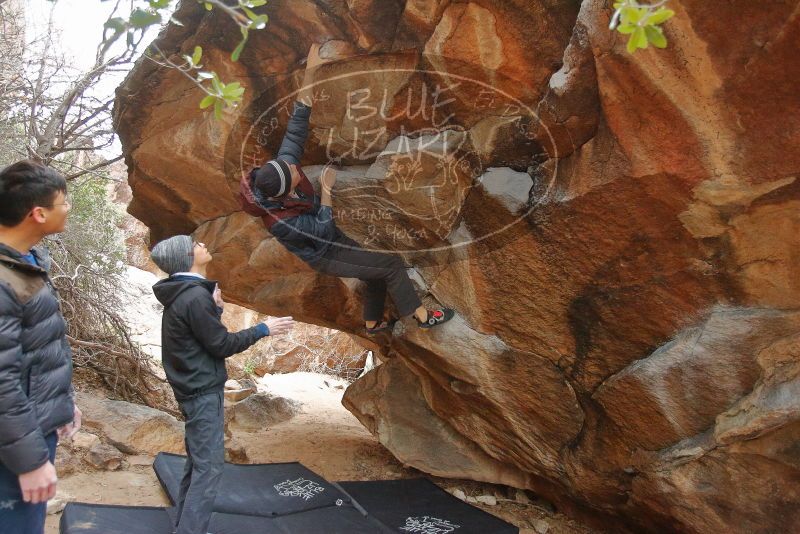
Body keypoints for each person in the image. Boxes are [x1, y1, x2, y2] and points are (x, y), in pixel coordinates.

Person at [240, 44, 455, 335]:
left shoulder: (282, 169)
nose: (294, 166)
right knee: (390, 265)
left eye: (288, 164)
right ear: (284, 191)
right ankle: (420, 316)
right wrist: (326, 190)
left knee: (375, 271)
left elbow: (297, 122)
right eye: (291, 172)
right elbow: (323, 229)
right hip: (325, 254)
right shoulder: (280, 222)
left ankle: (373, 323)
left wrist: (311, 71)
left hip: (333, 240)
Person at [150, 235, 293, 534]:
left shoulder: (184, 294)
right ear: (186, 256)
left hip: (192, 389)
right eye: (194, 243)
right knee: (209, 467)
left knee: (197, 463)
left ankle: (184, 525)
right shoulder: (193, 295)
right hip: (201, 392)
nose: (202, 243)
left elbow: (196, 339)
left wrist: (214, 310)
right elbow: (221, 344)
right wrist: (264, 328)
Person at [0, 160, 82, 534]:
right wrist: (31, 462)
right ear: (38, 213)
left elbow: (33, 352)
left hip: (30, 428)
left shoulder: (26, 262)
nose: (68, 209)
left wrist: (61, 405)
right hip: (13, 448)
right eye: (64, 201)